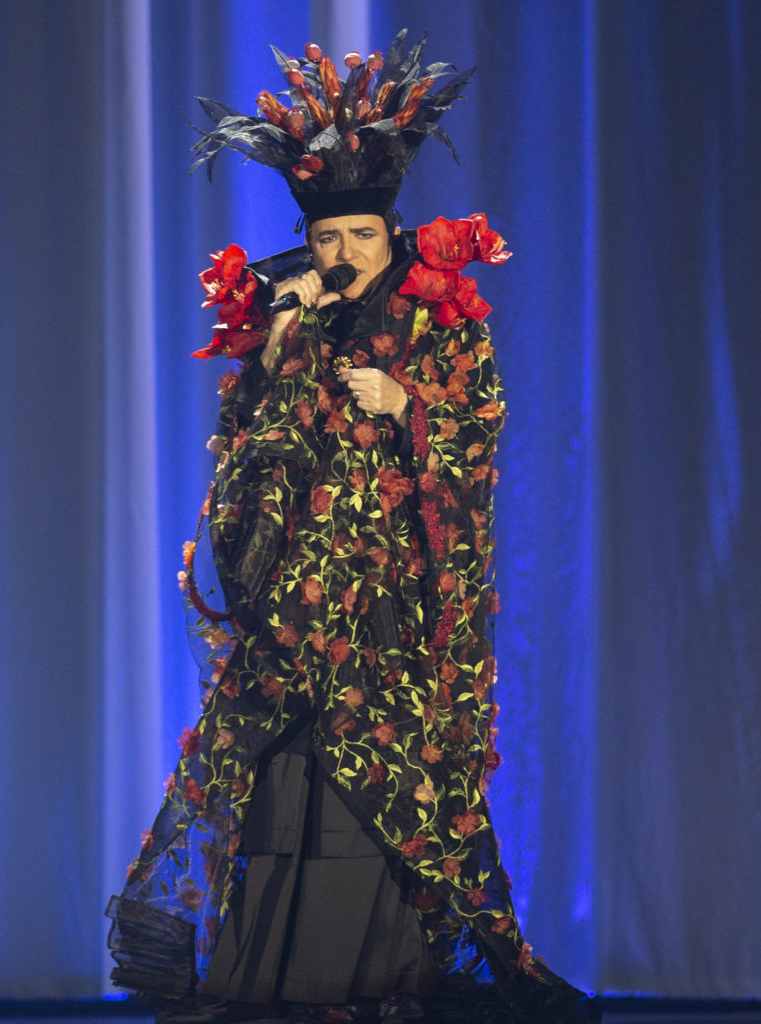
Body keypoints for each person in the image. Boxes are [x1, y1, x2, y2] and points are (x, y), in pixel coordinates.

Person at [106, 32, 601, 1024]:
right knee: (273, 778)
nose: (340, 256)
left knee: (395, 780)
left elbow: (483, 436)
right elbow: (241, 450)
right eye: (327, 239)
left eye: (359, 238)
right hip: (293, 606)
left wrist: (408, 401)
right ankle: (272, 973)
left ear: (391, 232)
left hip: (389, 604)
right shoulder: (286, 317)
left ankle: (386, 969)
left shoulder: (445, 321)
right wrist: (282, 341)